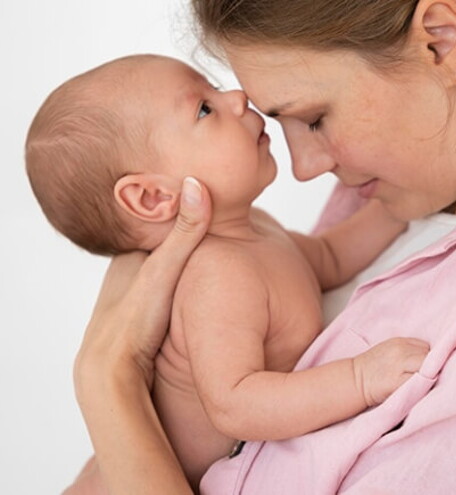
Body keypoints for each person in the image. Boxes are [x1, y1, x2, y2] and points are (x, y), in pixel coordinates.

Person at [64, 0, 456, 493]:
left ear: (441, 41)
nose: (304, 168)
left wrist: (107, 384)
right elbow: (315, 273)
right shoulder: (402, 185)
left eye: (315, 118)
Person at [25, 54, 431, 492]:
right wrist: (360, 379)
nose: (237, 97)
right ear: (151, 197)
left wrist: (399, 204)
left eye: (215, 89)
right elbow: (237, 404)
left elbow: (327, 259)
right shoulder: (215, 276)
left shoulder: (256, 229)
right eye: (204, 108)